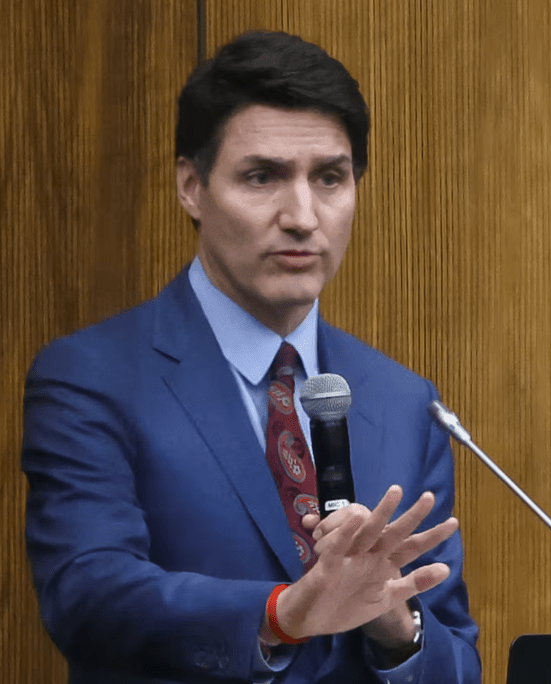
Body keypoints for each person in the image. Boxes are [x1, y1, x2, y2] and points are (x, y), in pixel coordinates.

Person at [21, 30, 481, 684]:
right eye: (262, 176)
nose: (302, 216)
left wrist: (395, 623)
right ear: (191, 186)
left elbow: (457, 661)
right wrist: (284, 612)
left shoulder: (404, 401)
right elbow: (87, 596)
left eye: (330, 177)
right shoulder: (92, 377)